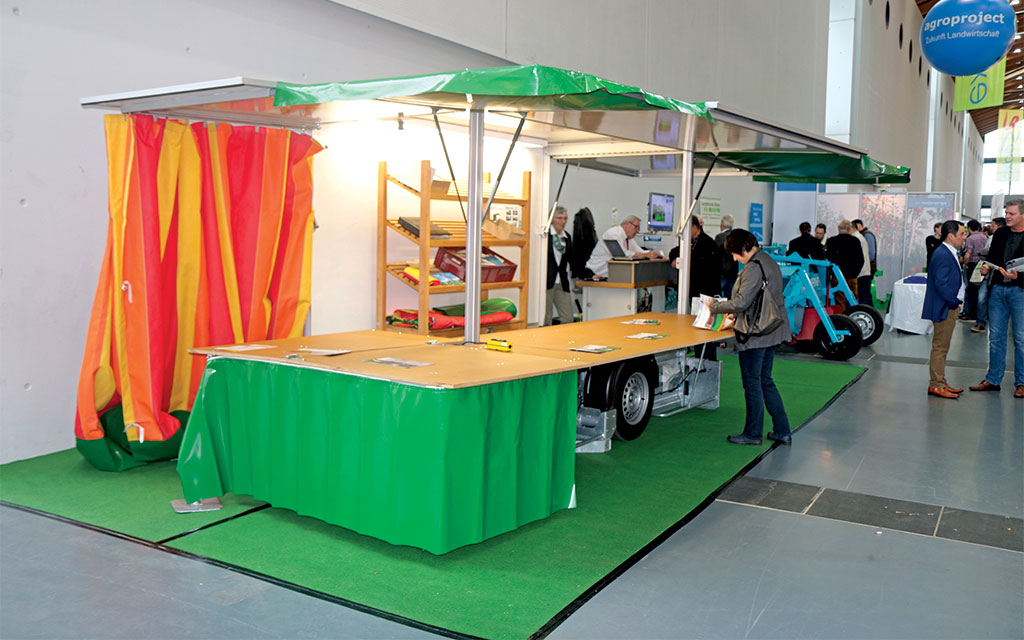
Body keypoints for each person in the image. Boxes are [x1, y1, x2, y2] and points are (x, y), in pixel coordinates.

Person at [708, 229, 792, 446]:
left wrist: (713, 306)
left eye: (735, 254)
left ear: (744, 249)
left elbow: (741, 302)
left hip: (756, 333)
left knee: (753, 384)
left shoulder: (753, 268)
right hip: (770, 330)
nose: (735, 259)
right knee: (765, 381)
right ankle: (782, 430)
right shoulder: (768, 261)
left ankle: (753, 434)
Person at [969, 201, 1024, 398]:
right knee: (996, 338)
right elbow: (991, 259)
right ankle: (993, 379)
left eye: (1012, 214)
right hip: (998, 290)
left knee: (1021, 338)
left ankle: (1022, 383)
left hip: (1020, 291)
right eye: (1007, 213)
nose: (1007, 216)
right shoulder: (1000, 234)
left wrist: (1019, 277)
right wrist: (986, 268)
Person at [922, 220, 967, 399]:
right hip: (944, 307)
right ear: (951, 236)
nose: (964, 237)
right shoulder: (942, 254)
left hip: (947, 306)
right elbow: (941, 283)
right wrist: (953, 302)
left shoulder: (947, 252)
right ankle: (936, 384)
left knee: (943, 346)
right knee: (940, 347)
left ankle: (940, 381)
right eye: (961, 234)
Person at [669, 217, 722, 359]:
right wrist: (675, 259)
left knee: (706, 328)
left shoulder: (708, 244)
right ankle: (699, 358)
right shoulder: (688, 243)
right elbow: (674, 251)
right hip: (693, 292)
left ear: (694, 227)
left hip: (706, 292)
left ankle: (707, 360)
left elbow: (710, 270)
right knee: (696, 326)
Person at [585, 215, 661, 279]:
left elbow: (640, 251)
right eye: (636, 227)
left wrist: (656, 255)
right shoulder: (612, 234)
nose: (638, 231)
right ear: (627, 224)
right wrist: (645, 255)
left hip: (608, 276)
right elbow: (622, 256)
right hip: (594, 274)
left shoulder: (629, 238)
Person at [973, 216, 1006, 333]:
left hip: (1000, 275)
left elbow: (989, 252)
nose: (991, 227)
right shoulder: (991, 238)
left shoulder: (1008, 238)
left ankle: (996, 325)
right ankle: (981, 322)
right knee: (981, 298)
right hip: (988, 274)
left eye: (993, 225)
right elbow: (989, 253)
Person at [545, 206, 576, 325]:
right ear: (552, 219)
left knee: (568, 318)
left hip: (562, 282)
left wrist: (588, 274)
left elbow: (572, 260)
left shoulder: (566, 237)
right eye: (559, 218)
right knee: (546, 318)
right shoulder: (545, 235)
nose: (563, 221)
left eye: (565, 218)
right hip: (547, 282)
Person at [825, 219, 864, 305]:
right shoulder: (855, 241)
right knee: (853, 301)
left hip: (837, 276)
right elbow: (861, 260)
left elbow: (829, 259)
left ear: (838, 228)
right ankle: (853, 313)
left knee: (839, 301)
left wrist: (831, 273)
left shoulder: (832, 241)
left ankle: (842, 314)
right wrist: (855, 273)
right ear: (849, 229)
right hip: (852, 276)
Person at [960, 219, 986, 321]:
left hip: (972, 265)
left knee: (970, 290)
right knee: (980, 291)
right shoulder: (985, 237)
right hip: (983, 265)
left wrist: (965, 264)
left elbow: (967, 254)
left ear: (969, 228)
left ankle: (970, 313)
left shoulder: (970, 239)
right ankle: (979, 314)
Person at [715, 215, 737, 297]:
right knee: (731, 296)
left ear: (722, 225)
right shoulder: (735, 236)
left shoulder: (719, 237)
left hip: (722, 272)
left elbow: (716, 254)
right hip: (733, 272)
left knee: (717, 295)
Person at [853, 222, 873, 305]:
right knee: (864, 295)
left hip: (863, 271)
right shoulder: (861, 236)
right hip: (864, 270)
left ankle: (867, 311)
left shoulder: (864, 236)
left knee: (864, 295)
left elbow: (871, 255)